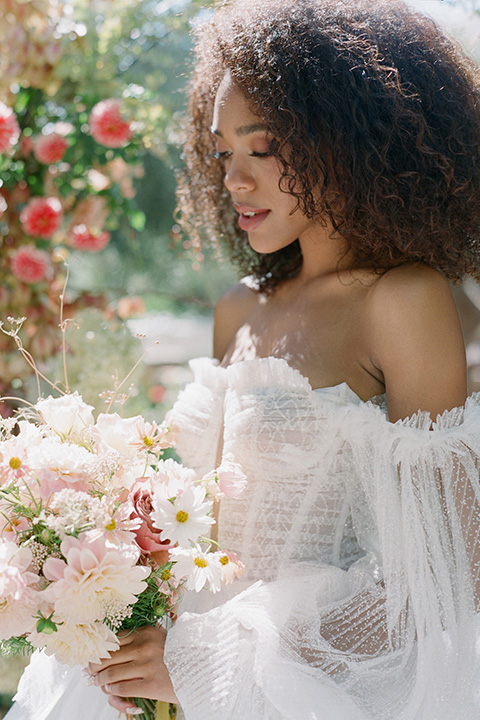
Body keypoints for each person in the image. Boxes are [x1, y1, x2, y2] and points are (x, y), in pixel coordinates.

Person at [7, 0, 480, 718]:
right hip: (168, 674)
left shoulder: (403, 300)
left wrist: (204, 664)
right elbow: (204, 520)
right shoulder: (238, 309)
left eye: (262, 148)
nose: (232, 179)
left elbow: (443, 572)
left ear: (349, 139)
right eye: (222, 151)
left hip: (306, 692)